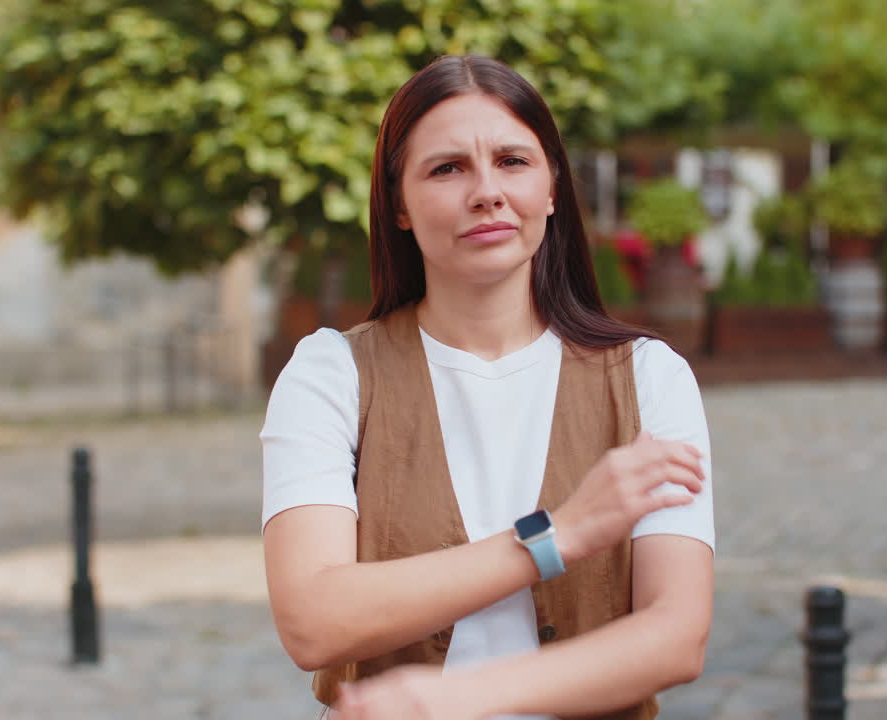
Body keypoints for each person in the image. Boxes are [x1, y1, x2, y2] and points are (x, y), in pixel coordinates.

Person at [261, 55, 714, 720]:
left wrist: (458, 699)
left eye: (512, 161)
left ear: (553, 187)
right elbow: (312, 622)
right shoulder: (330, 375)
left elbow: (677, 637)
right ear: (400, 206)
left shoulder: (649, 378)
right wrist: (556, 534)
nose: (487, 191)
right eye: (447, 168)